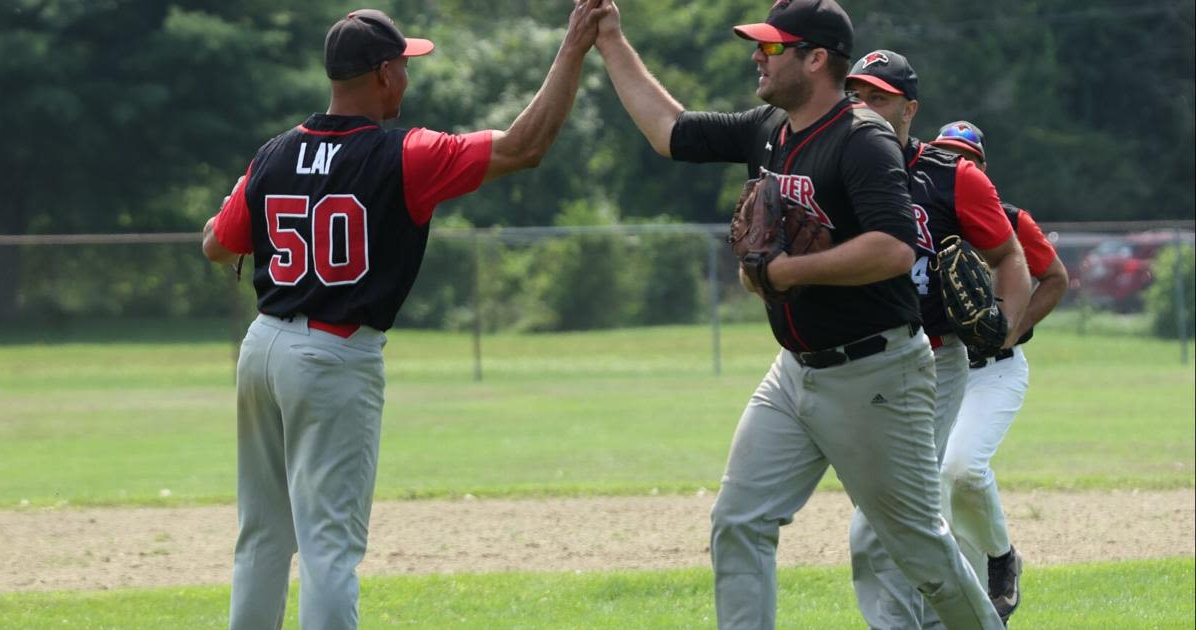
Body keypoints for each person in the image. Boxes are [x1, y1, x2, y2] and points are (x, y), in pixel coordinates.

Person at [594, 2, 1004, 628]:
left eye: (773, 47)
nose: (758, 55)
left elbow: (895, 248)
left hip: (875, 374)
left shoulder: (861, 139)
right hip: (794, 372)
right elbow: (669, 130)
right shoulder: (768, 127)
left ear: (816, 59)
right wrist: (611, 40)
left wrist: (787, 272)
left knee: (918, 550)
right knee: (739, 520)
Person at [200, 4, 609, 628]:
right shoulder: (405, 155)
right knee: (329, 547)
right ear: (385, 74)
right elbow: (526, 146)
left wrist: (232, 212)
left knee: (261, 538)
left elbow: (217, 245)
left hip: (261, 351)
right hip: (332, 358)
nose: (408, 80)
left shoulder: (274, 154)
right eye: (406, 67)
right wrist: (574, 48)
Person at [845, 52, 1033, 628]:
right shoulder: (841, 169)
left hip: (933, 360)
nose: (864, 106)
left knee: (880, 524)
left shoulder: (954, 178)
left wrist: (1001, 327)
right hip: (860, 367)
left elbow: (1024, 265)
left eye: (879, 96)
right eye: (856, 95)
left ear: (910, 108)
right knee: (907, 520)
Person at [932, 120, 1070, 624]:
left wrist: (1012, 328)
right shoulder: (921, 217)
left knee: (962, 468)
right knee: (938, 493)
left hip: (995, 371)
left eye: (966, 156)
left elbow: (1054, 277)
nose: (955, 162)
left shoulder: (1009, 219)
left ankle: (1001, 558)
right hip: (936, 370)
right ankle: (969, 603)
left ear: (982, 169)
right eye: (945, 152)